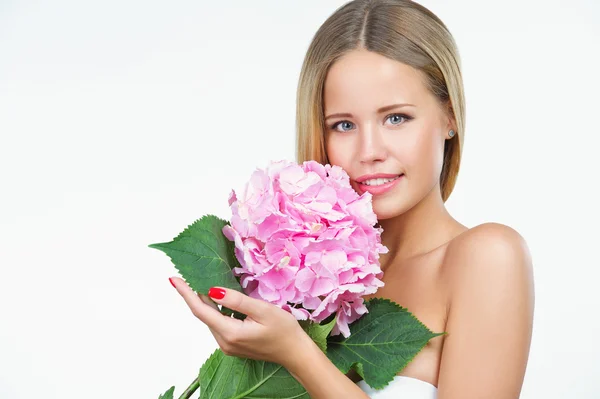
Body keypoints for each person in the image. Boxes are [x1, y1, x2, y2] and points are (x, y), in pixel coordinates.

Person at [169, 0, 535, 398]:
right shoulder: (301, 274)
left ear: (449, 116)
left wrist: (298, 353)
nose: (369, 150)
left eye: (396, 118)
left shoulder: (487, 257)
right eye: (343, 125)